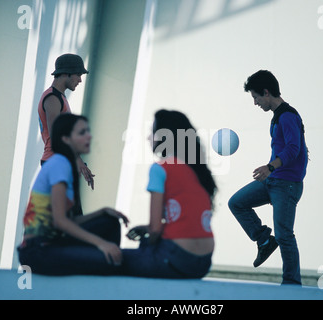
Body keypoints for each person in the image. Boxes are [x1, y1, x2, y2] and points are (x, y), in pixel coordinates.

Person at [18, 114, 129, 275]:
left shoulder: (66, 165)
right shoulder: (60, 163)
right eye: (82, 132)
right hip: (38, 250)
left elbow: (69, 221)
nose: (89, 136)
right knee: (112, 259)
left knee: (109, 221)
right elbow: (60, 222)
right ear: (65, 139)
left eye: (88, 131)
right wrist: (102, 244)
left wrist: (101, 211)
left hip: (54, 242)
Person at [228, 70, 308, 285]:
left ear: (266, 93)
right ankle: (263, 239)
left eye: (255, 97)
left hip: (286, 185)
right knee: (236, 203)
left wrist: (270, 167)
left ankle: (292, 283)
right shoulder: (277, 117)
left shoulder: (288, 115)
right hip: (273, 181)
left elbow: (294, 148)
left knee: (284, 235)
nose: (255, 103)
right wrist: (271, 171)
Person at [120, 109, 217, 279]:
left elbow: (156, 230)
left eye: (153, 132)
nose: (148, 137)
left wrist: (149, 239)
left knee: (113, 258)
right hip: (204, 263)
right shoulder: (199, 171)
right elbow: (189, 221)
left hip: (176, 259)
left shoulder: (160, 168)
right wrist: (148, 229)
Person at [38, 53, 95, 189]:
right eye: (78, 74)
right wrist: (78, 161)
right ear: (66, 73)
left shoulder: (59, 97)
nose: (80, 80)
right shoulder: (52, 98)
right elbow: (57, 136)